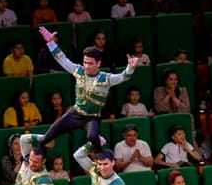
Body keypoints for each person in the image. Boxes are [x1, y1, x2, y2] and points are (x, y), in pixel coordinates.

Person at [37, 26, 137, 154]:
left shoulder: (106, 78)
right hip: (75, 113)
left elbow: (123, 77)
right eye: (85, 62)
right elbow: (61, 59)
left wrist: (130, 68)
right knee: (48, 136)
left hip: (92, 117)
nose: (87, 66)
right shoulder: (78, 71)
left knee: (91, 137)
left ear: (98, 63)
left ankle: (102, 153)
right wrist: (51, 43)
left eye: (90, 63)